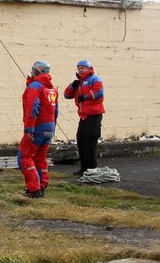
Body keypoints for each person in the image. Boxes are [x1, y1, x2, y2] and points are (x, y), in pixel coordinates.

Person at [19, 60, 58, 198]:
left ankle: (34, 189)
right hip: (49, 126)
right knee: (40, 158)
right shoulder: (52, 89)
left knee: (24, 157)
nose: (31, 72)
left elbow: (32, 109)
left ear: (38, 71)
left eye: (33, 69)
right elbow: (55, 111)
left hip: (37, 127)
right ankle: (42, 185)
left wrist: (29, 129)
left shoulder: (35, 87)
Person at [64, 60, 105, 175]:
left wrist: (85, 97)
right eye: (79, 68)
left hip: (94, 115)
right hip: (83, 116)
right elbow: (67, 95)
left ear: (89, 68)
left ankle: (91, 169)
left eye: (83, 67)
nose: (80, 70)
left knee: (90, 142)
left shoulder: (95, 79)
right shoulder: (79, 82)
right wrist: (73, 86)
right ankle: (84, 168)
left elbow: (98, 93)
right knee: (81, 141)